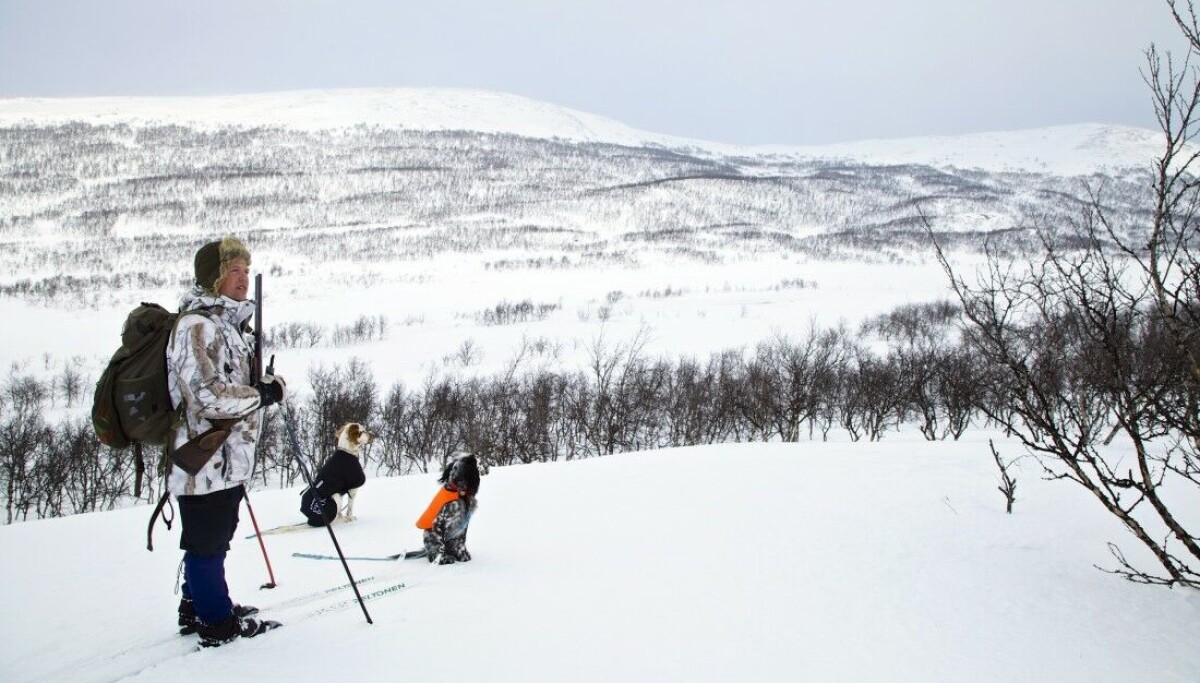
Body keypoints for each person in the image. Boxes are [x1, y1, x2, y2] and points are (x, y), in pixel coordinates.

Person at [167, 236, 286, 647]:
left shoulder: (227, 326)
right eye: (233, 270)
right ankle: (215, 623)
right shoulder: (195, 326)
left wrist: (261, 385)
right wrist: (260, 396)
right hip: (202, 458)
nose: (242, 278)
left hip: (226, 459)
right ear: (213, 277)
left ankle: (197, 604)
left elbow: (231, 384)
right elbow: (206, 394)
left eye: (245, 270)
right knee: (207, 541)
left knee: (215, 536)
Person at [300, 422, 370, 526]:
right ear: (354, 436)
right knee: (336, 494)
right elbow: (355, 486)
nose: (364, 434)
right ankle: (346, 514)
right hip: (320, 511)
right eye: (361, 432)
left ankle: (336, 513)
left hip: (309, 503)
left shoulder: (339, 459)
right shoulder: (348, 460)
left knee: (334, 492)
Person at [416, 453, 480, 564]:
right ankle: (437, 553)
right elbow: (434, 527)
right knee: (435, 527)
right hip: (432, 537)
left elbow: (461, 527)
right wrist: (437, 552)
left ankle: (457, 548)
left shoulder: (464, 497)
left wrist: (459, 548)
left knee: (462, 525)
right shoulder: (449, 499)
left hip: (449, 537)